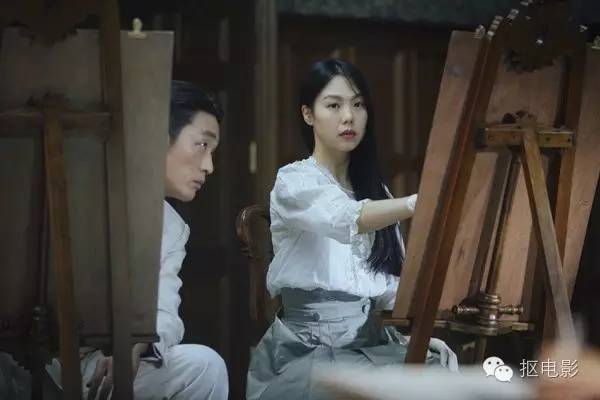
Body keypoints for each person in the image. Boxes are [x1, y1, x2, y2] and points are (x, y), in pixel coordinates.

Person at [246, 59, 458, 400]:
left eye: (358, 105)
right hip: (309, 348)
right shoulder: (294, 180)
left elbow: (389, 284)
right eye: (334, 105)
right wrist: (414, 203)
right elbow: (345, 218)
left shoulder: (376, 192)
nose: (349, 116)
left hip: (371, 341)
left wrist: (416, 334)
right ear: (308, 114)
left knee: (439, 370)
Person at [47, 81, 229, 400]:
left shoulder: (172, 227)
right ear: (156, 138)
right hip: (32, 361)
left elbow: (165, 312)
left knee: (206, 367)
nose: (209, 166)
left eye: (212, 152)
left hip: (100, 368)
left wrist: (134, 346)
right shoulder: (81, 190)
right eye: (202, 145)